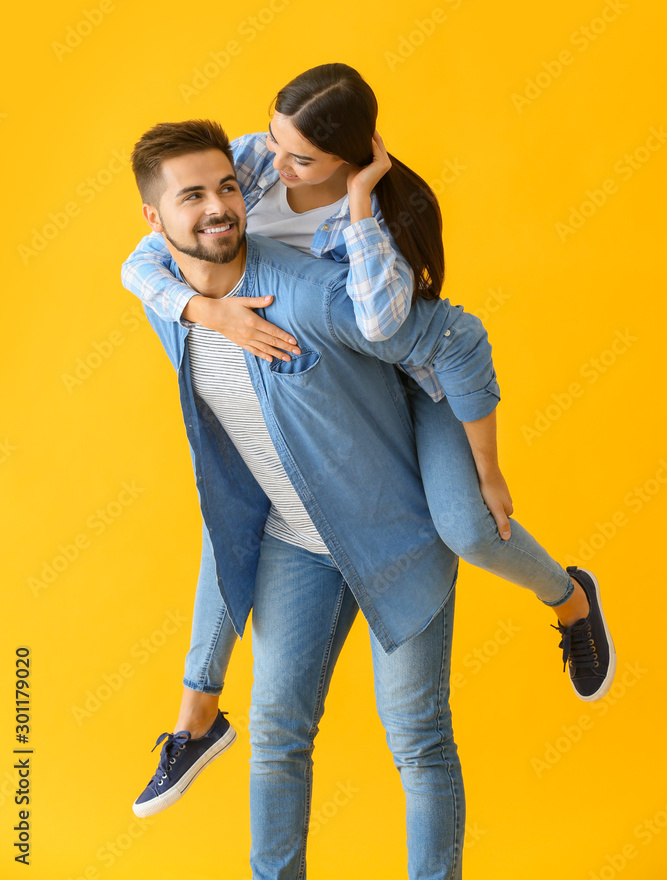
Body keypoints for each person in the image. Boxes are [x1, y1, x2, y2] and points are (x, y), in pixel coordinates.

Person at [122, 65, 614, 817]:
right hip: (344, 397)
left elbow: (389, 330)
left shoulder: (369, 216)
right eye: (275, 143)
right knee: (233, 506)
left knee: (471, 530)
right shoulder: (249, 162)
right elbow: (140, 257)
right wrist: (204, 311)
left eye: (302, 160)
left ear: (349, 161)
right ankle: (197, 715)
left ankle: (570, 598)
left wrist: (487, 468)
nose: (273, 168)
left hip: (422, 384)